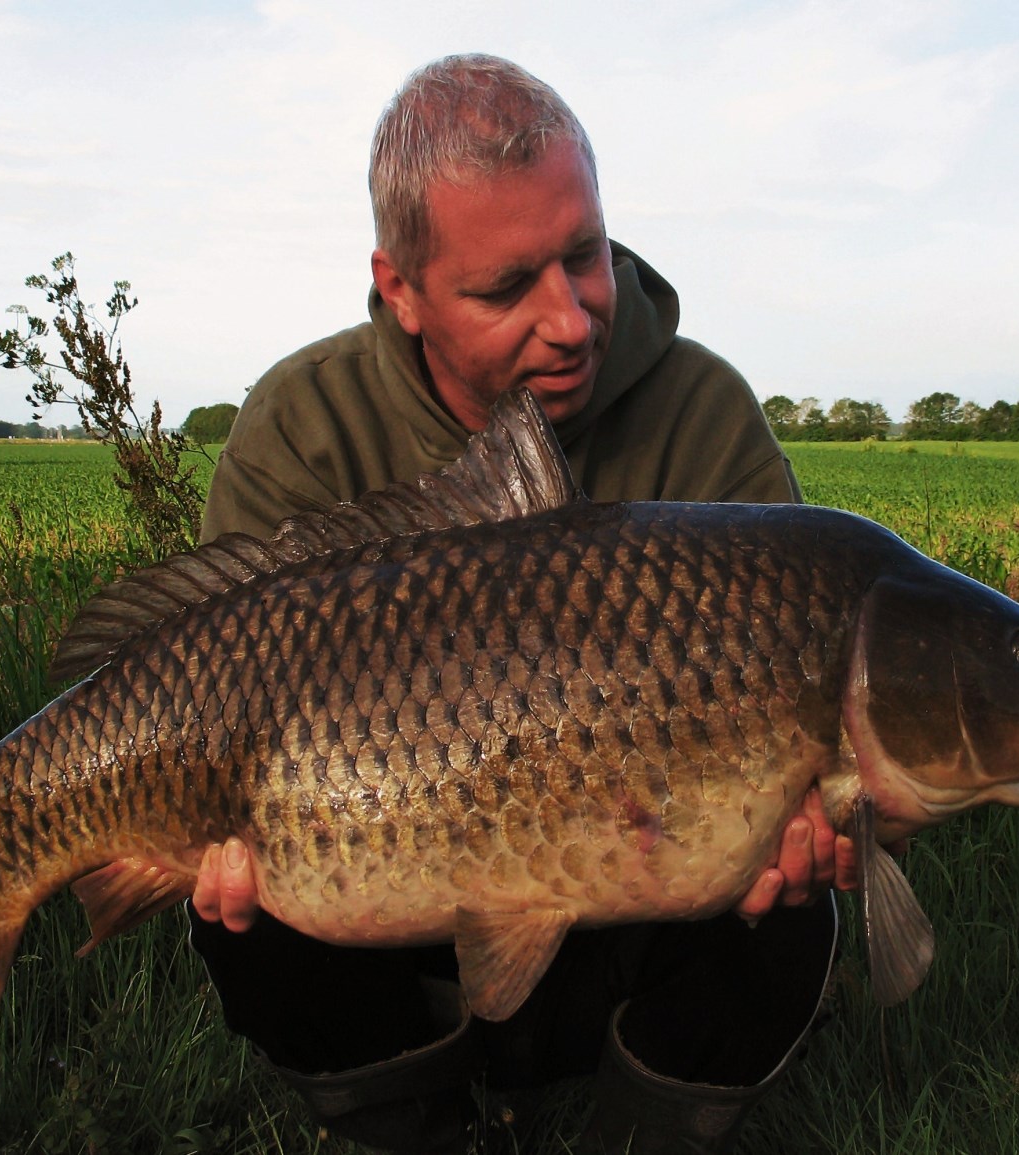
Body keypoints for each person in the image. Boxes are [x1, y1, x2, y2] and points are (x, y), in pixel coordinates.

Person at [188, 54, 850, 1155]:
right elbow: (208, 685)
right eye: (504, 289)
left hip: (638, 915)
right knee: (237, 905)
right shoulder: (305, 427)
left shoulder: (706, 416)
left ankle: (639, 1131)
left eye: (583, 257)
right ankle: (416, 1125)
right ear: (399, 286)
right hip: (378, 896)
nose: (573, 321)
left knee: (796, 895)